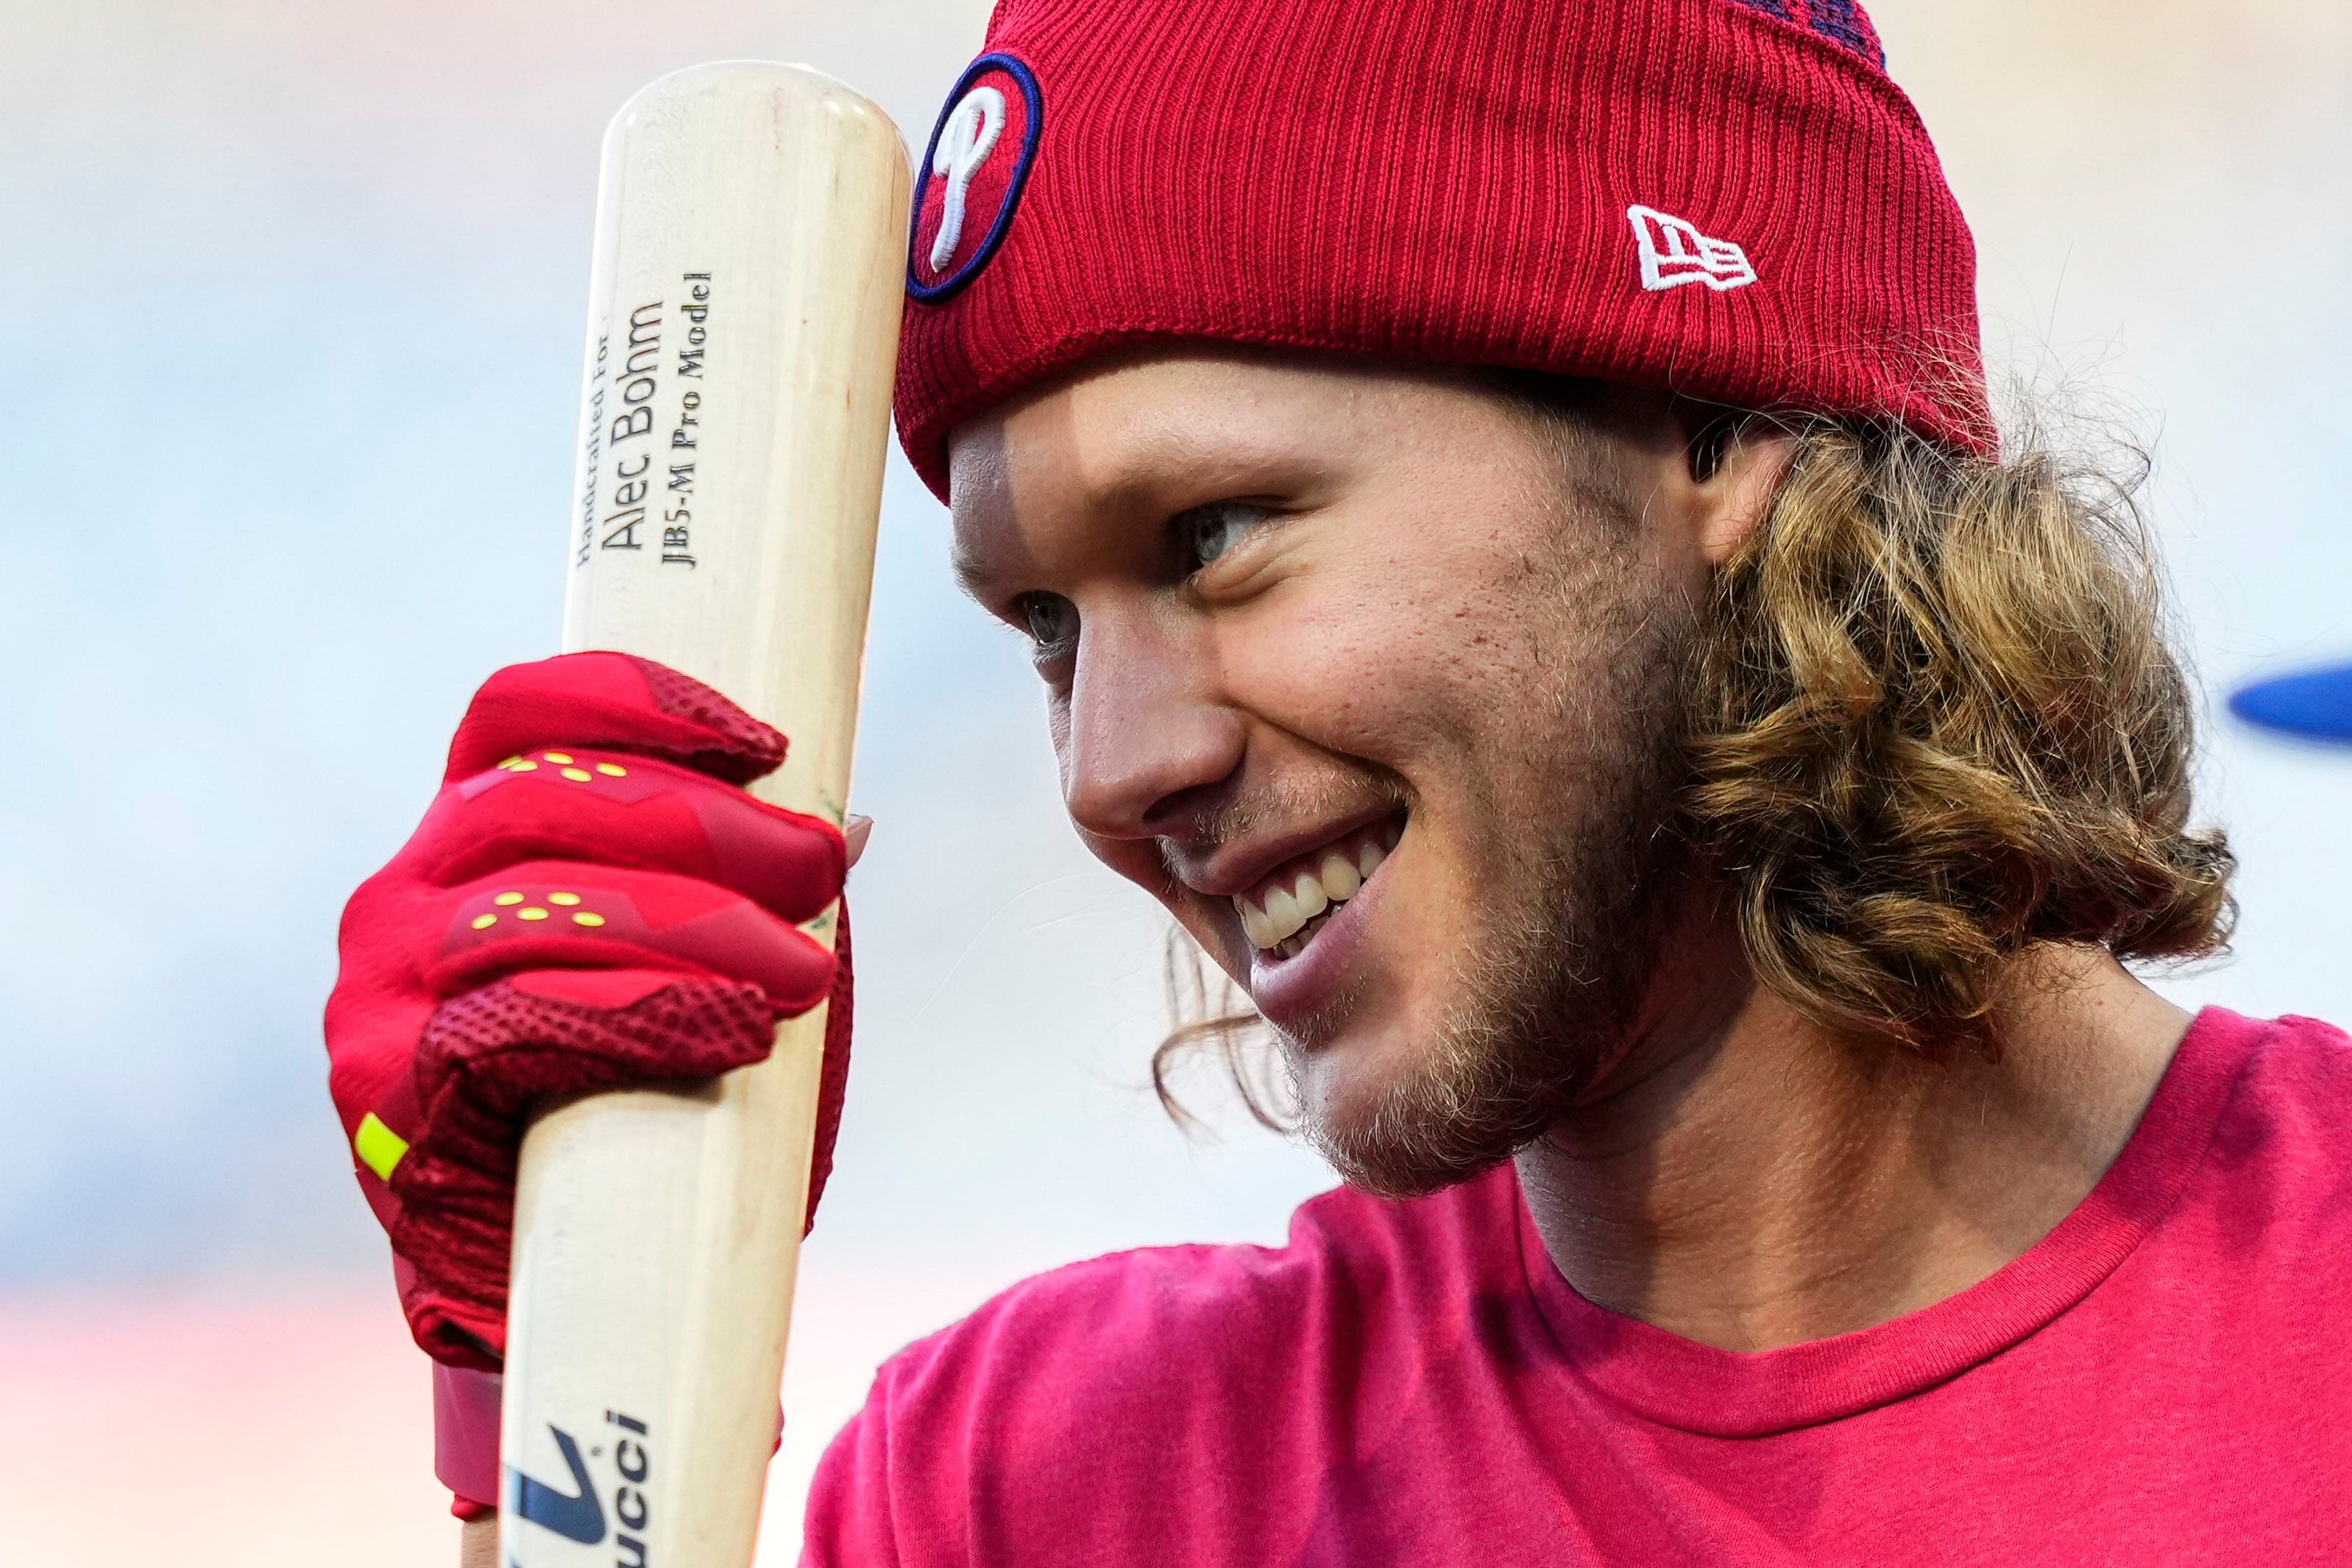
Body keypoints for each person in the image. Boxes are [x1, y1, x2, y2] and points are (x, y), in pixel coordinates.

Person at [325, 0, 2352, 1561]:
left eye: (1214, 535)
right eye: (1043, 625)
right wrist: (565, 1420)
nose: (1115, 768)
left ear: (1714, 433)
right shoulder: (1052, 1487)